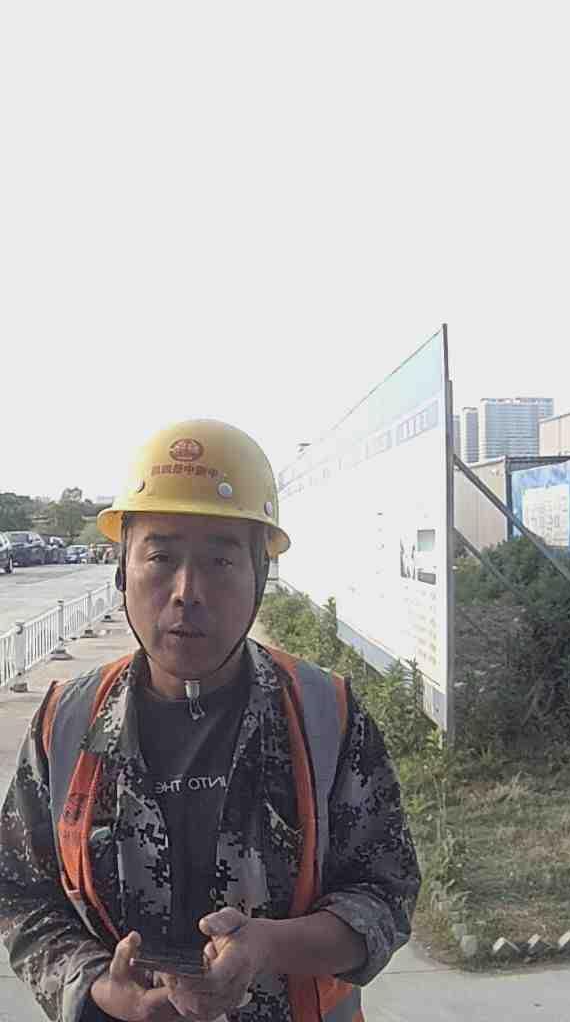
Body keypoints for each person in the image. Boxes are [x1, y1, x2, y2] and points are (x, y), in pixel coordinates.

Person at [0, 419, 420, 1022]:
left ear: (259, 576)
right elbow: (20, 893)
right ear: (122, 569)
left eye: (220, 560)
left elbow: (386, 893)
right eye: (160, 556)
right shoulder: (64, 723)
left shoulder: (326, 715)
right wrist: (97, 986)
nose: (187, 591)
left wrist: (270, 946)